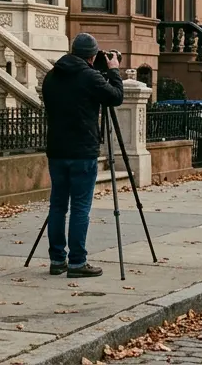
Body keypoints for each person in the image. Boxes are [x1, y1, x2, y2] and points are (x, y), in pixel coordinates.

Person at [41, 32, 124, 278]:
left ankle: (57, 260)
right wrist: (114, 70)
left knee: (57, 206)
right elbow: (116, 97)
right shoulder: (89, 77)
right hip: (82, 152)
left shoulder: (52, 76)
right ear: (92, 56)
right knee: (79, 207)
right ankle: (77, 263)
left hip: (56, 150)